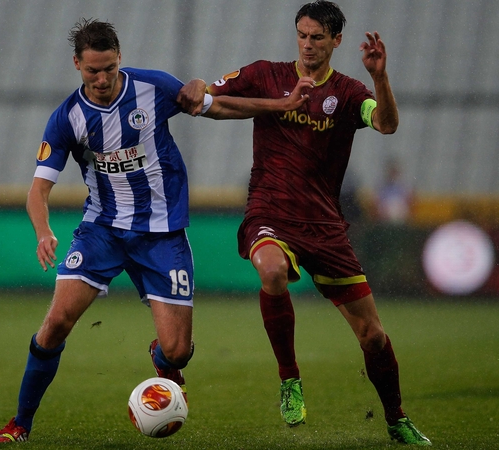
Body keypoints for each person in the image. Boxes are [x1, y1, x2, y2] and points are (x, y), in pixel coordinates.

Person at [0, 18, 312, 443]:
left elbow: (218, 105)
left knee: (178, 352)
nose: (101, 79)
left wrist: (280, 105)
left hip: (162, 234)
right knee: (56, 323)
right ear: (76, 65)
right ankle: (20, 425)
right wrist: (43, 231)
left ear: (120, 57)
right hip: (101, 230)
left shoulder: (154, 88)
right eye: (92, 71)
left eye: (108, 68)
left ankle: (162, 359)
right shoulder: (67, 117)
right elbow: (38, 190)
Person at [179, 1, 430, 445]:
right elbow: (209, 103)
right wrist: (202, 87)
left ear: (336, 41)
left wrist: (380, 76)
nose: (308, 44)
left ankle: (396, 418)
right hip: (269, 211)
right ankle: (289, 380)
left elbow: (388, 125)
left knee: (373, 336)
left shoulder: (350, 92)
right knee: (272, 270)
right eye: (302, 35)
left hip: (325, 225)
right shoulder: (266, 74)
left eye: (318, 37)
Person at [371, 157, 413, 224]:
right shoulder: (382, 185)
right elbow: (376, 201)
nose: (392, 173)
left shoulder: (403, 185)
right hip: (385, 212)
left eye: (394, 171)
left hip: (400, 212)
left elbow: (409, 201)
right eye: (391, 171)